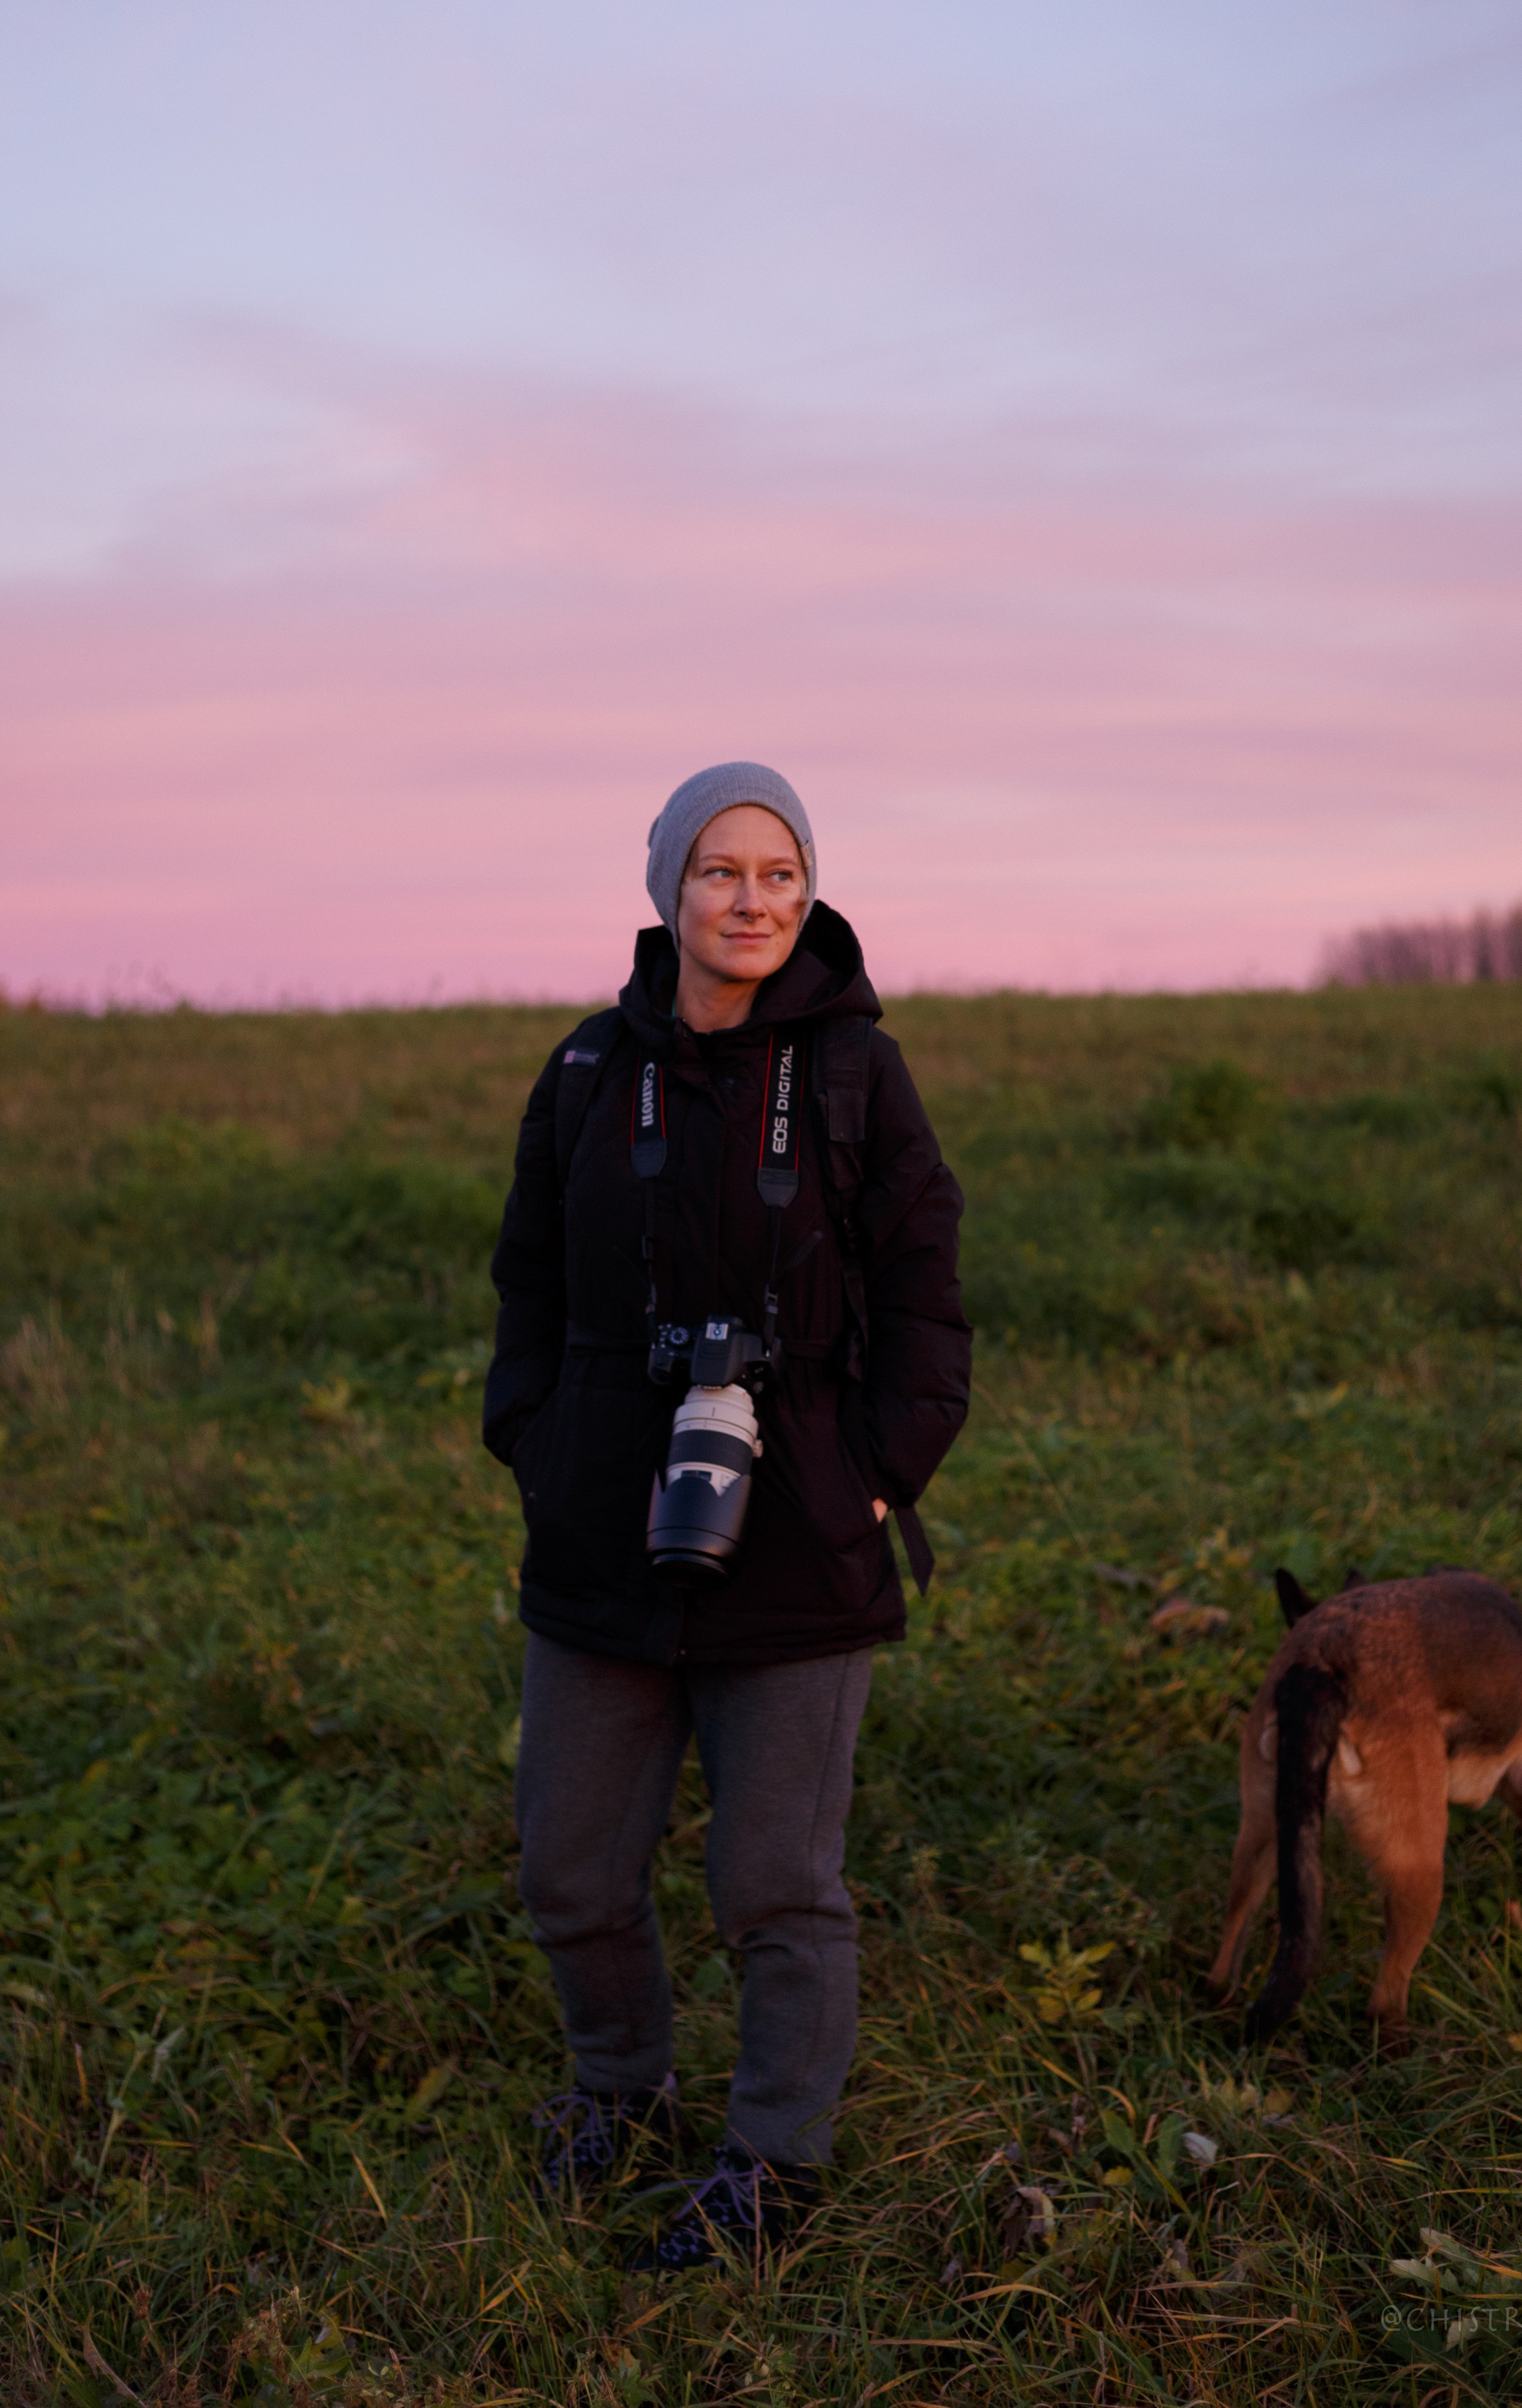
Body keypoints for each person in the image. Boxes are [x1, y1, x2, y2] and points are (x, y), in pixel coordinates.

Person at [484, 763, 970, 2270]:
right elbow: (526, 1288)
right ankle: (617, 2087)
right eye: (718, 870)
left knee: (772, 1883)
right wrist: (543, 1447)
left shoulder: (848, 1076)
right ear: (665, 892)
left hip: (799, 1541)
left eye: (777, 872)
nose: (750, 899)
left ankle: (771, 2161)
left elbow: (923, 1299)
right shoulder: (582, 1072)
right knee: (567, 1870)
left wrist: (868, 1477)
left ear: (805, 892)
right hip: (599, 1537)